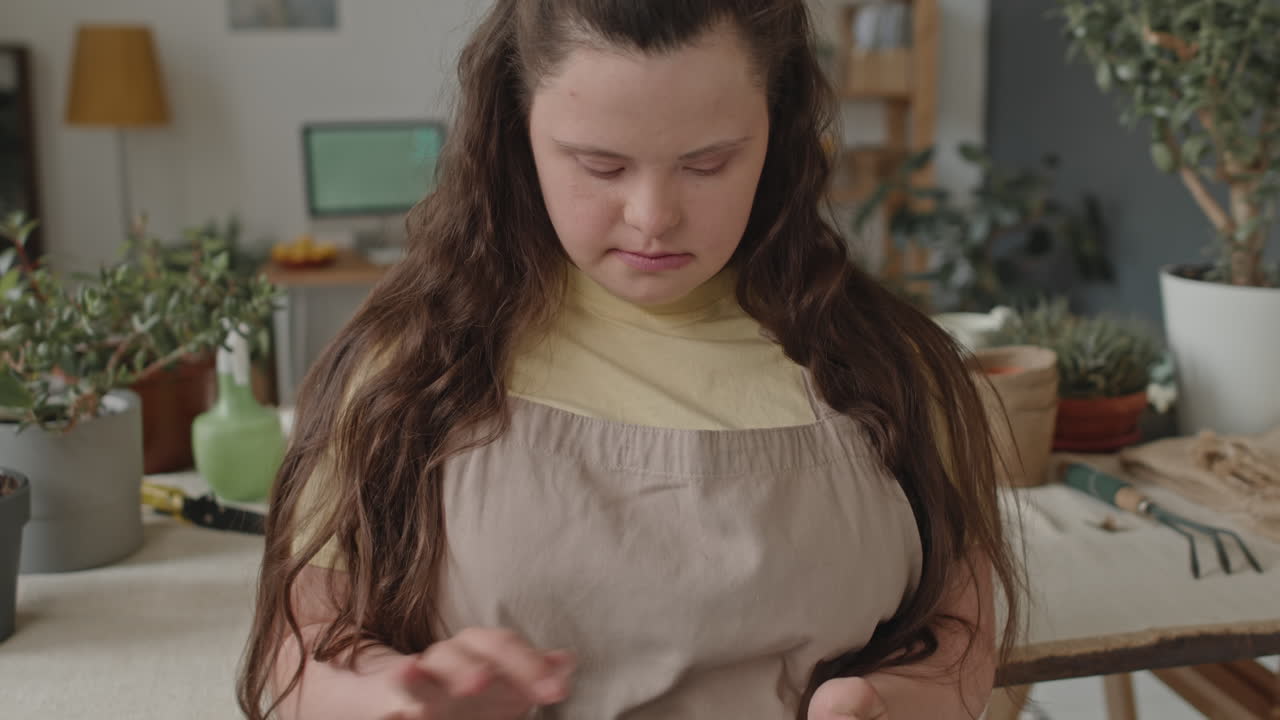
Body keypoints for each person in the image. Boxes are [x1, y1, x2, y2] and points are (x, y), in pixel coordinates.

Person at [238, 1, 1024, 718]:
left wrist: (886, 705)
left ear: (779, 130)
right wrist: (384, 700)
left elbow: (960, 637)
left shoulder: (897, 369)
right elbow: (298, 649)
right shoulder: (406, 369)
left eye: (708, 163)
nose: (653, 218)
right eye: (600, 166)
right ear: (516, 132)